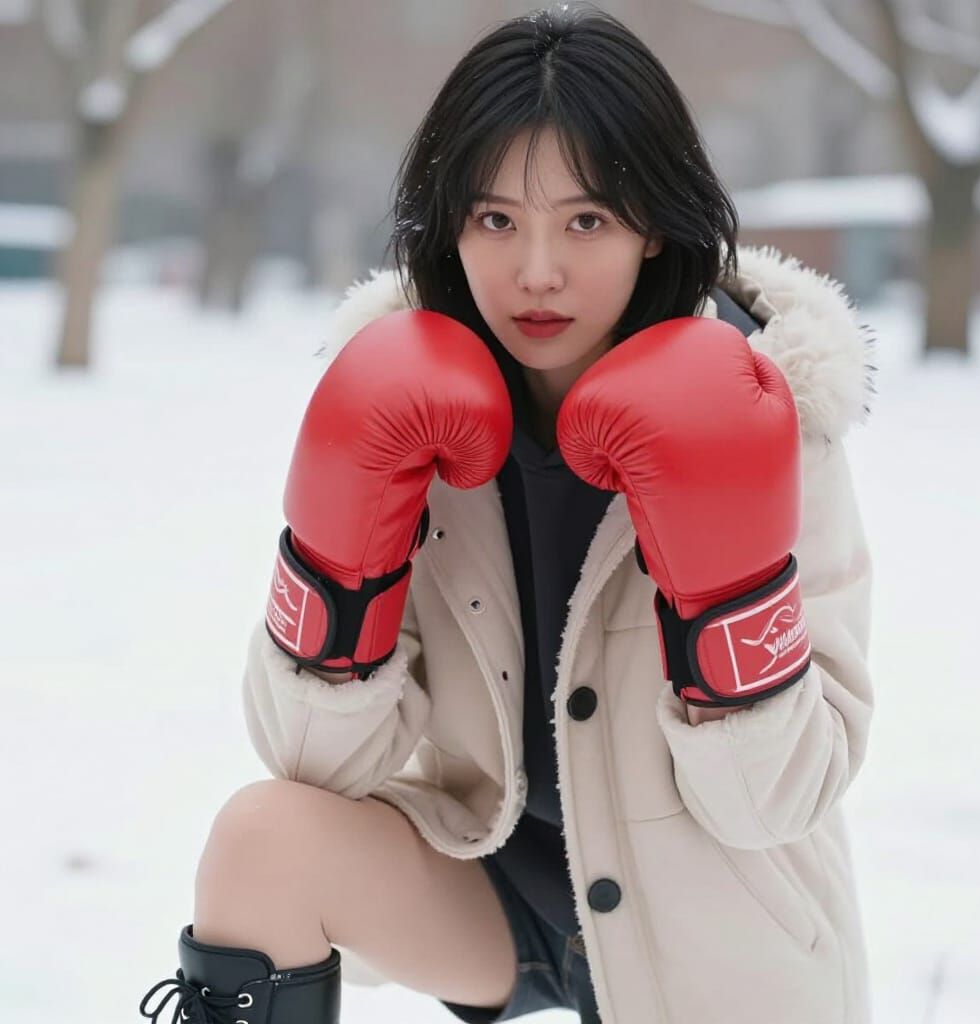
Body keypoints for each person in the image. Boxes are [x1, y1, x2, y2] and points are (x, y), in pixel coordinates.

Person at [139, 4, 878, 1023]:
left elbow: (777, 799)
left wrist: (720, 601)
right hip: (486, 880)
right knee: (263, 840)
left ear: (650, 222)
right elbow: (312, 761)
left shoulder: (768, 413)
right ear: (450, 225)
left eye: (585, 221)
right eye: (495, 220)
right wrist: (341, 570)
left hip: (715, 933)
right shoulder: (404, 405)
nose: (536, 272)